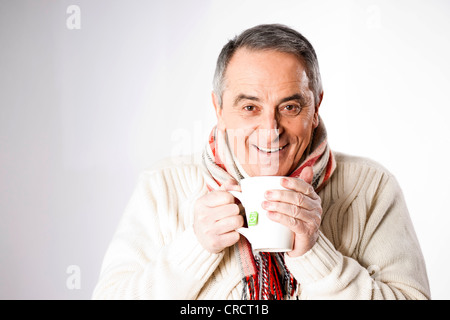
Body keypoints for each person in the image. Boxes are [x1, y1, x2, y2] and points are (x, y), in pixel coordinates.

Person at [92, 24, 430, 299]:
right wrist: (195, 247)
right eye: (250, 107)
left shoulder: (370, 187)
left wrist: (315, 257)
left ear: (316, 109)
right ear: (219, 110)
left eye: (290, 107)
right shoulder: (162, 185)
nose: (270, 131)